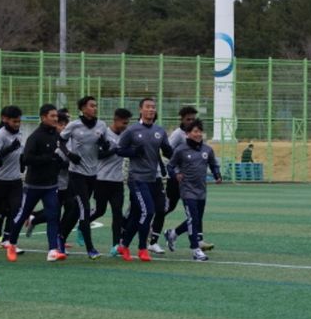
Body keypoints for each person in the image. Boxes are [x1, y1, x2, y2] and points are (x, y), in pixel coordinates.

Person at [4, 104, 66, 262]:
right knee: (22, 215)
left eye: (56, 116)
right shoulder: (35, 137)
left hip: (51, 185)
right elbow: (27, 159)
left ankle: (52, 250)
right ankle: (11, 243)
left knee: (53, 215)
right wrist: (49, 159)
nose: (55, 119)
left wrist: (62, 161)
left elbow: (59, 155)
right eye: (52, 116)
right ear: (43, 117)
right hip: (33, 186)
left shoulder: (57, 136)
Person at [115, 98, 173, 262]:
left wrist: (171, 153)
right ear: (141, 109)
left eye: (153, 107)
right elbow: (119, 150)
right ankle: (142, 248)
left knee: (137, 213)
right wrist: (133, 151)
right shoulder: (132, 130)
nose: (151, 110)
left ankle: (124, 245)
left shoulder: (159, 131)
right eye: (148, 107)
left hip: (154, 179)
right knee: (148, 212)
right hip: (137, 178)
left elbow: (167, 151)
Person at [164, 118, 222, 261]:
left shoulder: (207, 150)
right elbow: (170, 166)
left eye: (200, 131)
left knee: (195, 220)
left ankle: (173, 233)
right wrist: (176, 174)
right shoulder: (181, 149)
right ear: (188, 134)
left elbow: (214, 164)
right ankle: (195, 249)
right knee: (193, 218)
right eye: (195, 131)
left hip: (201, 190)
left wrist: (217, 175)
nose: (198, 134)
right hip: (187, 190)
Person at [58, 96, 108, 259]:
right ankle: (90, 249)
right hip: (76, 174)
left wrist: (103, 144)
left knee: (75, 210)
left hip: (93, 174)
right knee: (85, 209)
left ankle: (61, 236)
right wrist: (69, 154)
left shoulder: (101, 125)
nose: (95, 108)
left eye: (96, 106)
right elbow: (61, 141)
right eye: (92, 106)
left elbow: (104, 148)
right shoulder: (74, 125)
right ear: (83, 108)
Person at [89, 108, 132, 256]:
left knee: (117, 213)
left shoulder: (126, 136)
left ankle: (115, 245)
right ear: (115, 119)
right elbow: (98, 155)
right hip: (101, 179)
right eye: (123, 123)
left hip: (117, 181)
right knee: (100, 211)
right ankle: (83, 225)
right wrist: (115, 150)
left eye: (127, 123)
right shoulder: (104, 133)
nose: (125, 126)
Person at [0, 106, 24, 246]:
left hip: (15, 180)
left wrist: (22, 162)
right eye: (14, 121)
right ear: (5, 120)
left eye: (19, 121)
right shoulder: (0, 135)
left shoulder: (19, 133)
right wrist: (9, 149)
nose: (17, 124)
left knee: (16, 210)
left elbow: (20, 152)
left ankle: (7, 239)